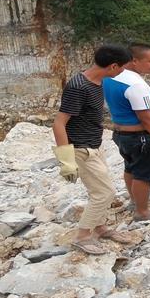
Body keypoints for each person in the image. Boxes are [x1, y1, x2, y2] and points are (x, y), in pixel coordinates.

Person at [52, 43, 133, 254]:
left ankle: (99, 227)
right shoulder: (79, 87)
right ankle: (83, 236)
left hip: (94, 146)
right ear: (113, 66)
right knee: (105, 193)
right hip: (81, 149)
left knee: (99, 190)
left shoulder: (97, 82)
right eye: (122, 67)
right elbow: (59, 123)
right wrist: (66, 161)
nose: (123, 71)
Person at [103, 42, 150, 221]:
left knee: (131, 168)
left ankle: (135, 201)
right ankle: (143, 212)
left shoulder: (111, 77)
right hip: (141, 137)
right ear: (134, 61)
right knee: (143, 174)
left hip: (123, 135)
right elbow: (146, 118)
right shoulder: (135, 84)